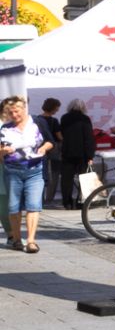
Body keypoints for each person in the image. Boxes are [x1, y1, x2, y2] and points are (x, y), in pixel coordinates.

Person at [1, 96, 54, 253]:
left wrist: (44, 149)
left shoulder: (37, 123)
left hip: (35, 171)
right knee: (13, 207)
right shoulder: (5, 128)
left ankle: (31, 241)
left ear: (24, 109)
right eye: (10, 113)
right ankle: (17, 240)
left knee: (33, 206)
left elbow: (50, 141)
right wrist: (3, 151)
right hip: (12, 172)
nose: (14, 115)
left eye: (16, 111)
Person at [58, 100, 93, 209]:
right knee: (83, 178)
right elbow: (88, 139)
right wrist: (90, 155)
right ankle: (81, 202)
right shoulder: (85, 119)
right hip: (82, 153)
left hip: (67, 152)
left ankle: (67, 202)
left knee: (66, 179)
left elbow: (61, 135)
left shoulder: (64, 118)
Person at [35, 99, 62, 206]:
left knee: (41, 174)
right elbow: (59, 136)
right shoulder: (53, 121)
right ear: (54, 108)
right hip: (53, 149)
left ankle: (40, 199)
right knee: (54, 174)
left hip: (40, 148)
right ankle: (49, 199)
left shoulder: (37, 119)